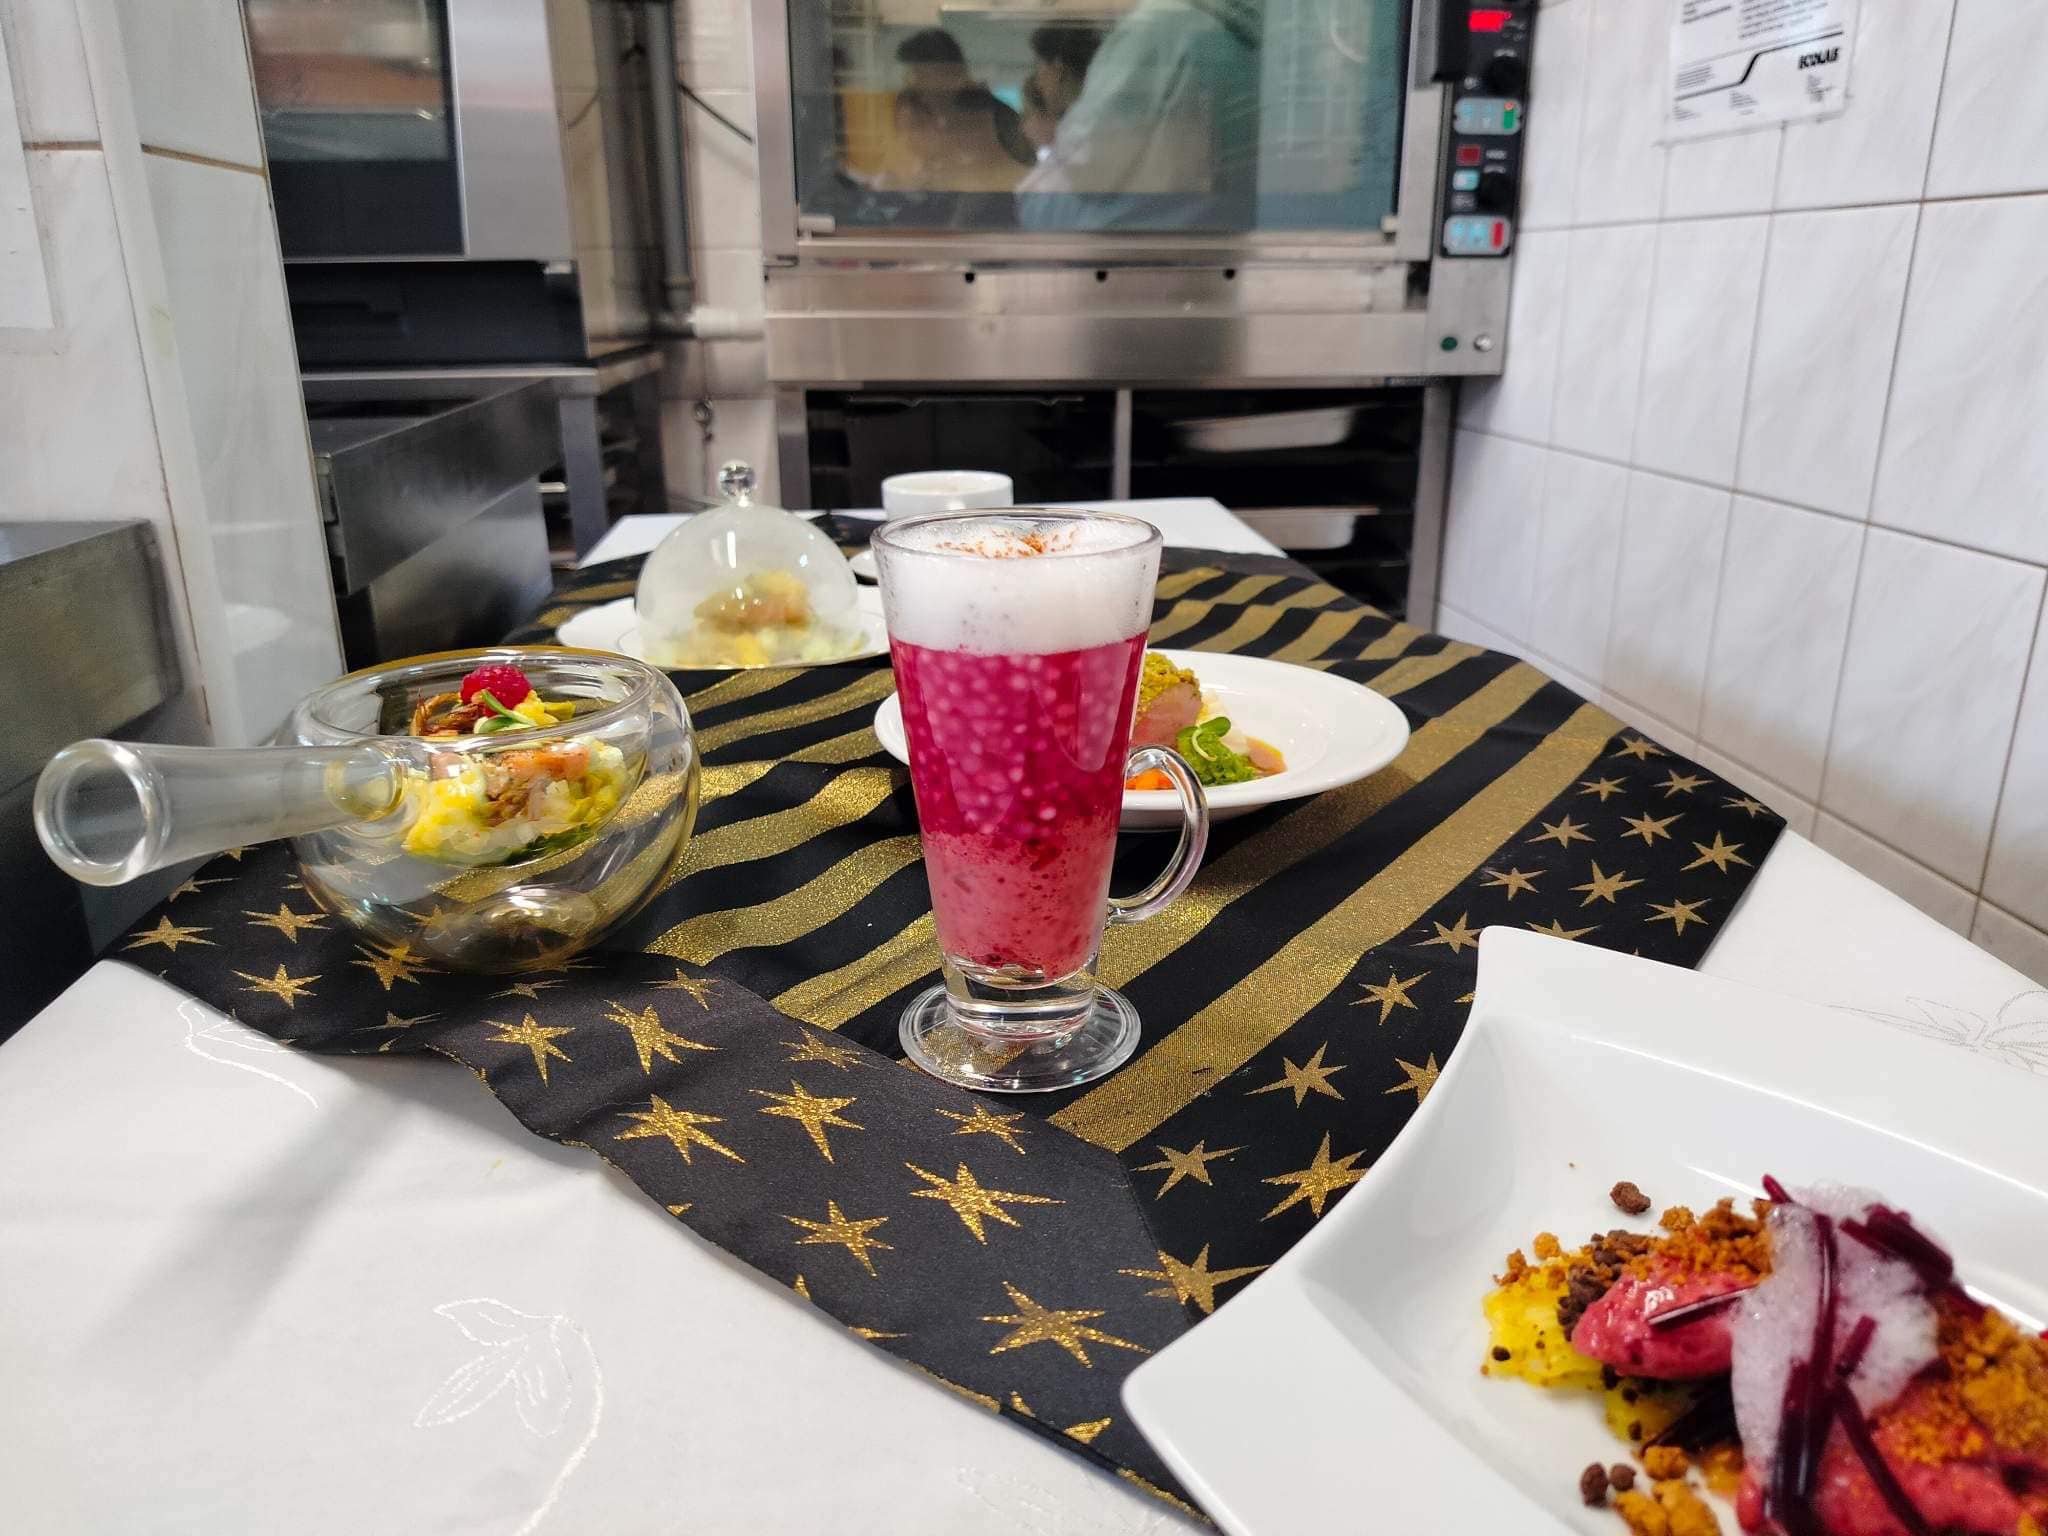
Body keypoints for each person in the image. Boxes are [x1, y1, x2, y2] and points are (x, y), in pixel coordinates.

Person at [1017, 0, 1257, 230]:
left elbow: (1090, 165)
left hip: (1152, 241)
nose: (1039, 81)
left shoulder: (1155, 27)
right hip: (1214, 230)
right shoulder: (1234, 34)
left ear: (1057, 68)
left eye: (1040, 68)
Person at [880, 28, 1033, 191]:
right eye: (912, 78)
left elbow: (1008, 177)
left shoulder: (983, 115)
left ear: (951, 73)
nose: (917, 88)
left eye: (922, 76)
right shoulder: (950, 117)